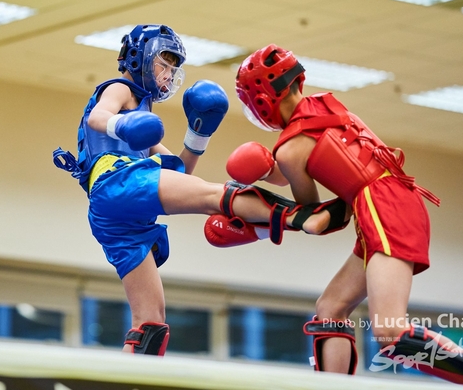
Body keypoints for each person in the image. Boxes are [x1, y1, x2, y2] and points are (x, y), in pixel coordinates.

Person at [53, 25, 349, 356]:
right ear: (139, 58)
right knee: (215, 197)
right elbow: (98, 116)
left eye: (172, 68)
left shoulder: (142, 119)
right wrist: (120, 124)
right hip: (117, 183)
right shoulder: (121, 90)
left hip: (114, 214)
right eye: (162, 64)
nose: (167, 74)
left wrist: (199, 133)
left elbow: (179, 172)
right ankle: (302, 215)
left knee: (149, 323)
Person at [218, 43, 463, 386]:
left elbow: (317, 214)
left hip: (383, 207)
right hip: (392, 200)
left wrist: (259, 212)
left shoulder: (290, 149)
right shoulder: (325, 106)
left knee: (390, 334)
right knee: (330, 310)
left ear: (260, 100)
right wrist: (268, 170)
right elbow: (328, 163)